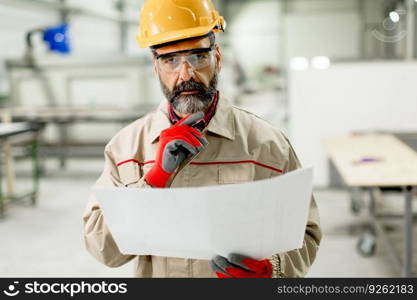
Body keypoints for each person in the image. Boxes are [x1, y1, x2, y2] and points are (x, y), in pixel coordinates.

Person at [83, 0, 321, 278]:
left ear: (217, 57)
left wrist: (273, 272)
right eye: (170, 60)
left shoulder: (267, 144)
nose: (186, 74)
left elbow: (306, 233)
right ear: (155, 66)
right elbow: (103, 249)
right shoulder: (126, 147)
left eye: (198, 57)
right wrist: (153, 180)